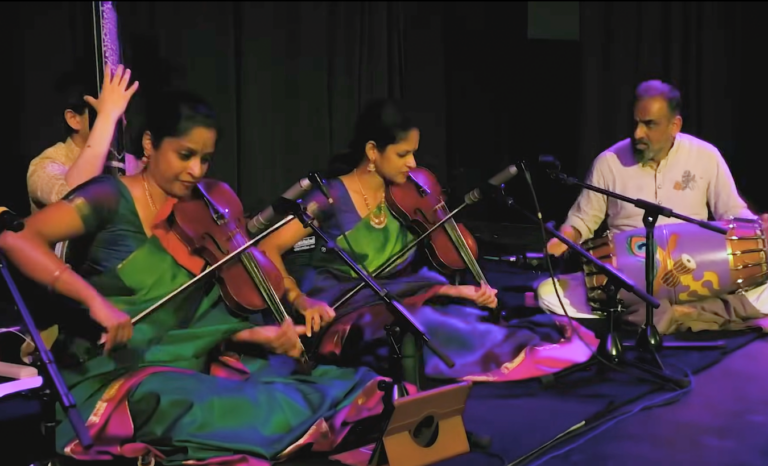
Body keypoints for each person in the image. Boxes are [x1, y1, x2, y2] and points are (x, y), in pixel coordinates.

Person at [0, 89, 390, 465]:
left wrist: (258, 335)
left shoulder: (200, 214)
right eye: (185, 155)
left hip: (189, 361)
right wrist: (93, 300)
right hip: (113, 369)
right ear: (150, 144)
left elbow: (196, 322)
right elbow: (16, 238)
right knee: (215, 404)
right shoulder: (109, 197)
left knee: (326, 383)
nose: (197, 171)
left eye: (205, 159)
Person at [257, 98, 598, 384]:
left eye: (414, 153)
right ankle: (518, 357)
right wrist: (300, 300)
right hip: (347, 305)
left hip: (396, 299)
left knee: (463, 315)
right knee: (428, 328)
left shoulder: (405, 196)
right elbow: (267, 248)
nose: (413, 163)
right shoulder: (331, 196)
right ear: (373, 151)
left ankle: (522, 351)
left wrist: (456, 290)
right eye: (403, 154)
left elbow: (402, 279)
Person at [533, 79, 768, 332]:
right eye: (635, 123)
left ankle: (664, 315)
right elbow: (582, 221)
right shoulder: (609, 162)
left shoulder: (706, 156)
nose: (638, 134)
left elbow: (732, 213)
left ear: (674, 125)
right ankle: (692, 315)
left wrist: (759, 227)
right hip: (631, 283)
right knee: (548, 293)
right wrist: (563, 240)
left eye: (649, 124)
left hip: (697, 276)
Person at [27, 65, 144, 214]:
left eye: (121, 111)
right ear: (74, 119)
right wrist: (106, 116)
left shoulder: (130, 164)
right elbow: (74, 203)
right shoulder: (45, 165)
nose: (121, 121)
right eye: (105, 110)